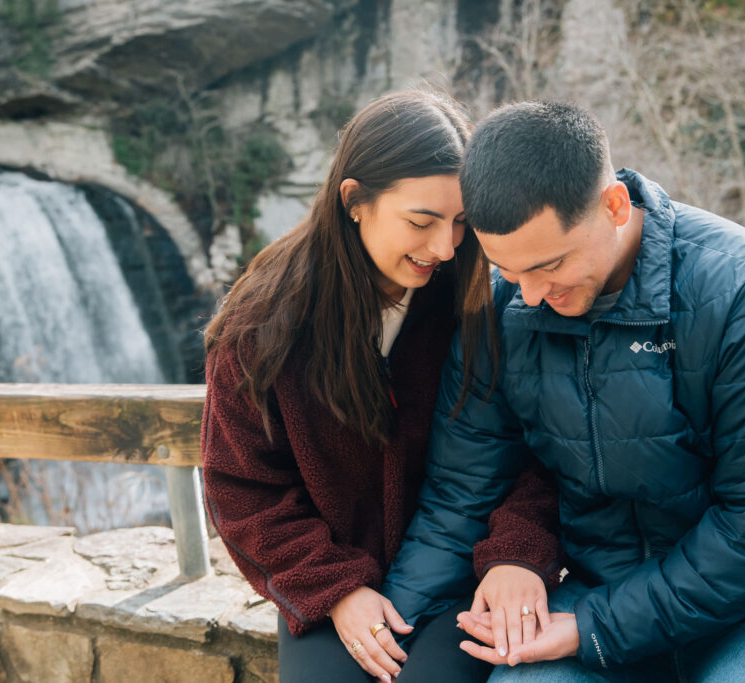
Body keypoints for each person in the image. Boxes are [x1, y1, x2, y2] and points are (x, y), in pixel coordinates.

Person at [382, 101, 745, 681]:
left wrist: (594, 627)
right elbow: (460, 494)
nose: (532, 296)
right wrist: (393, 630)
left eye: (550, 265)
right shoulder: (505, 307)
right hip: (596, 591)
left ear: (614, 205)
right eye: (510, 270)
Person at [200, 91, 563, 683]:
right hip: (332, 579)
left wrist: (518, 552)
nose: (445, 248)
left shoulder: (485, 302)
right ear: (354, 202)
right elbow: (242, 489)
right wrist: (336, 589)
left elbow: (544, 449)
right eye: (421, 222)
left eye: (461, 224)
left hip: (468, 571)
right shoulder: (263, 323)